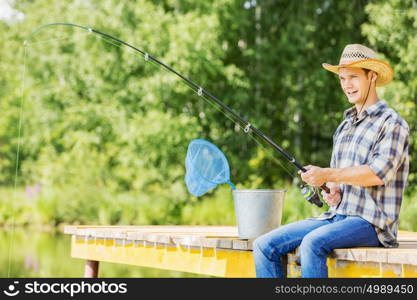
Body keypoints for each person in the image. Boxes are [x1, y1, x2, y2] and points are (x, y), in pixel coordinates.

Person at [253, 44, 410, 278]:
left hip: (372, 223)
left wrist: (327, 174)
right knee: (264, 246)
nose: (347, 85)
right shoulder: (344, 126)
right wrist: (334, 191)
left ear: (372, 77)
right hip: (337, 216)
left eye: (354, 77)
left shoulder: (392, 123)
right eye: (343, 78)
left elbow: (377, 174)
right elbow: (341, 180)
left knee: (312, 243)